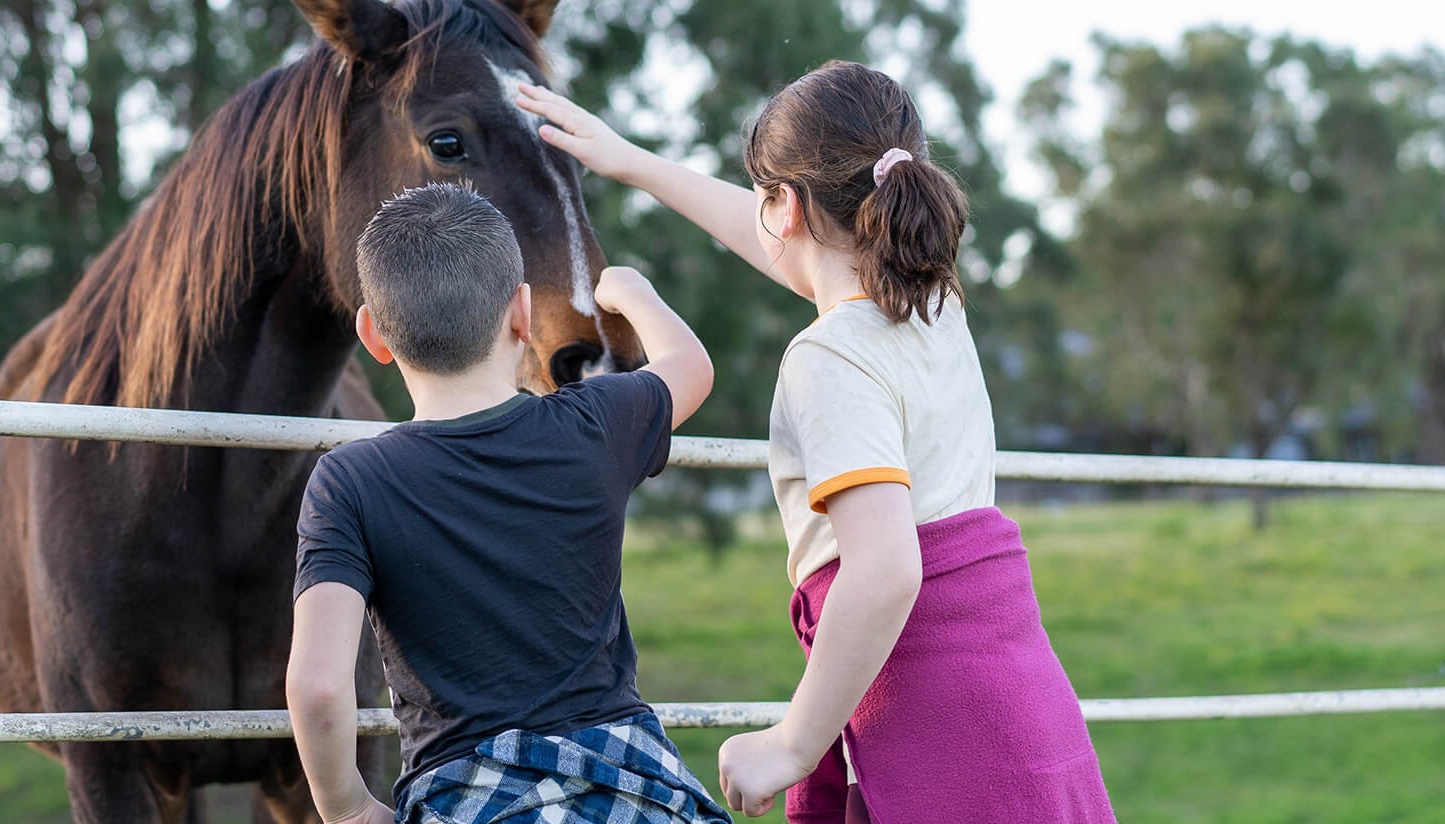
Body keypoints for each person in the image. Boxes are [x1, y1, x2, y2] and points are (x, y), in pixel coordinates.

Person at [517, 63, 1116, 823]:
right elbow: (779, 241)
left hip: (937, 722)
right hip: (1016, 701)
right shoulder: (935, 303)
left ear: (789, 207)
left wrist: (793, 743)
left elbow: (889, 567)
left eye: (765, 197)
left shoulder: (829, 356)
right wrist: (631, 160)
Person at [286, 182, 732, 824]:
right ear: (522, 315)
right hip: (632, 788)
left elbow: (318, 687)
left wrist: (350, 809)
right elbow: (690, 365)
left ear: (373, 336)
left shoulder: (349, 481)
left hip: (469, 797)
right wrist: (629, 290)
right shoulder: (593, 425)